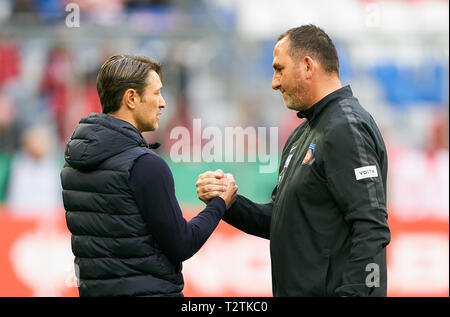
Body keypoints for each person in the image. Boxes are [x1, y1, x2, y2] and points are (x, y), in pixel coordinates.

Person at [196, 25, 391, 297]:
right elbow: (281, 220)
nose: (274, 82)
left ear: (308, 66)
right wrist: (228, 202)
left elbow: (371, 226)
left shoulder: (346, 128)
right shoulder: (304, 132)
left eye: (279, 69)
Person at [61, 54, 237, 297]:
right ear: (132, 98)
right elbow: (182, 244)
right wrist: (219, 203)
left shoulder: (73, 165)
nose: (163, 103)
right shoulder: (146, 165)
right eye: (157, 93)